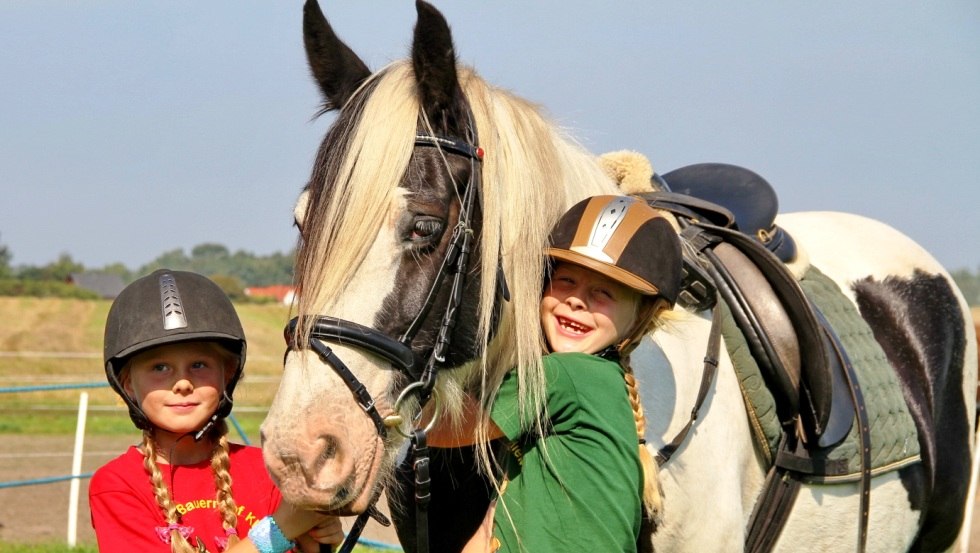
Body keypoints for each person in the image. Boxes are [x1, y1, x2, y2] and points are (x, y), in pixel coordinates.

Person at [426, 195, 683, 552]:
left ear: (640, 318)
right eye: (565, 281)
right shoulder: (598, 386)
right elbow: (493, 526)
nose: (577, 300)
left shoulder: (567, 375)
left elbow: (445, 428)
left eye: (603, 292)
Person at [89, 269, 343, 553]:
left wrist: (315, 542)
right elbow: (283, 529)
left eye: (199, 365)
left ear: (228, 373)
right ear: (128, 385)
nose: (183, 383)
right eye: (160, 368)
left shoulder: (268, 471)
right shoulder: (117, 485)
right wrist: (279, 530)